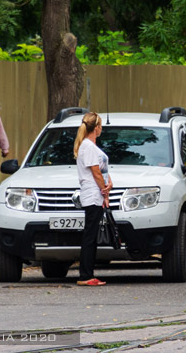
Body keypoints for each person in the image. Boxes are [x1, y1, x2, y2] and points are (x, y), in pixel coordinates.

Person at [74, 112, 111, 286]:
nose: (101, 129)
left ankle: (87, 273)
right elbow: (95, 171)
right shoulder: (87, 146)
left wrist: (108, 184)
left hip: (96, 193)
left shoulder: (89, 146)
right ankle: (85, 275)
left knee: (91, 235)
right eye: (101, 126)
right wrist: (104, 189)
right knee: (89, 236)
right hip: (92, 194)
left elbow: (102, 170)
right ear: (96, 128)